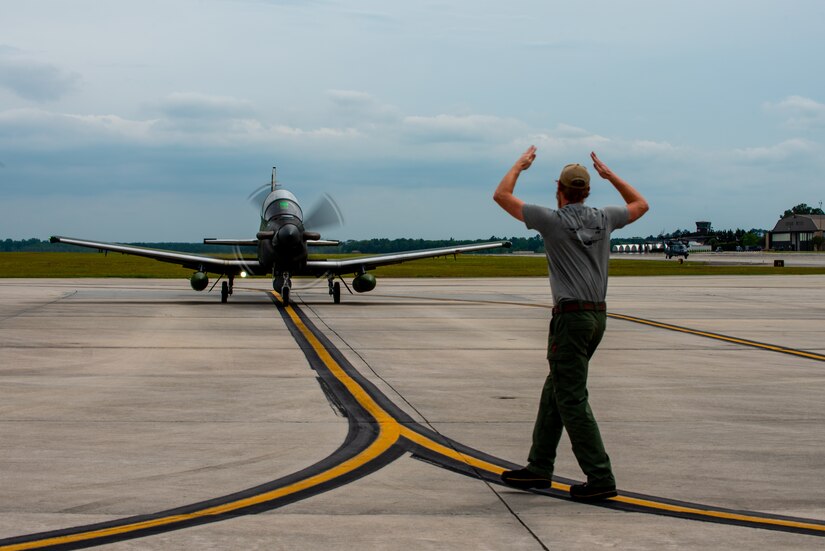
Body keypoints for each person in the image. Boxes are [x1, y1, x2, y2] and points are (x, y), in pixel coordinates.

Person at [493, 145, 649, 501]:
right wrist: (611, 176)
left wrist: (520, 164)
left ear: (559, 190)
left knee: (572, 398)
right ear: (588, 191)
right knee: (556, 392)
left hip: (570, 318)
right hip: (597, 316)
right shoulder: (606, 217)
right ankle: (538, 467)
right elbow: (641, 205)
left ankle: (600, 477)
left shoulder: (551, 220)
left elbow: (501, 195)